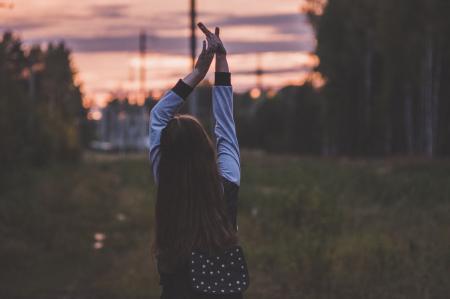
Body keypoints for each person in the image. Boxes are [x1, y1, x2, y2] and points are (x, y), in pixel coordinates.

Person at [149, 22, 243, 299]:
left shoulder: (164, 176)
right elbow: (225, 127)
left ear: (167, 150)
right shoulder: (228, 181)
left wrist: (198, 72)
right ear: (206, 149)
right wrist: (221, 60)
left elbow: (157, 117)